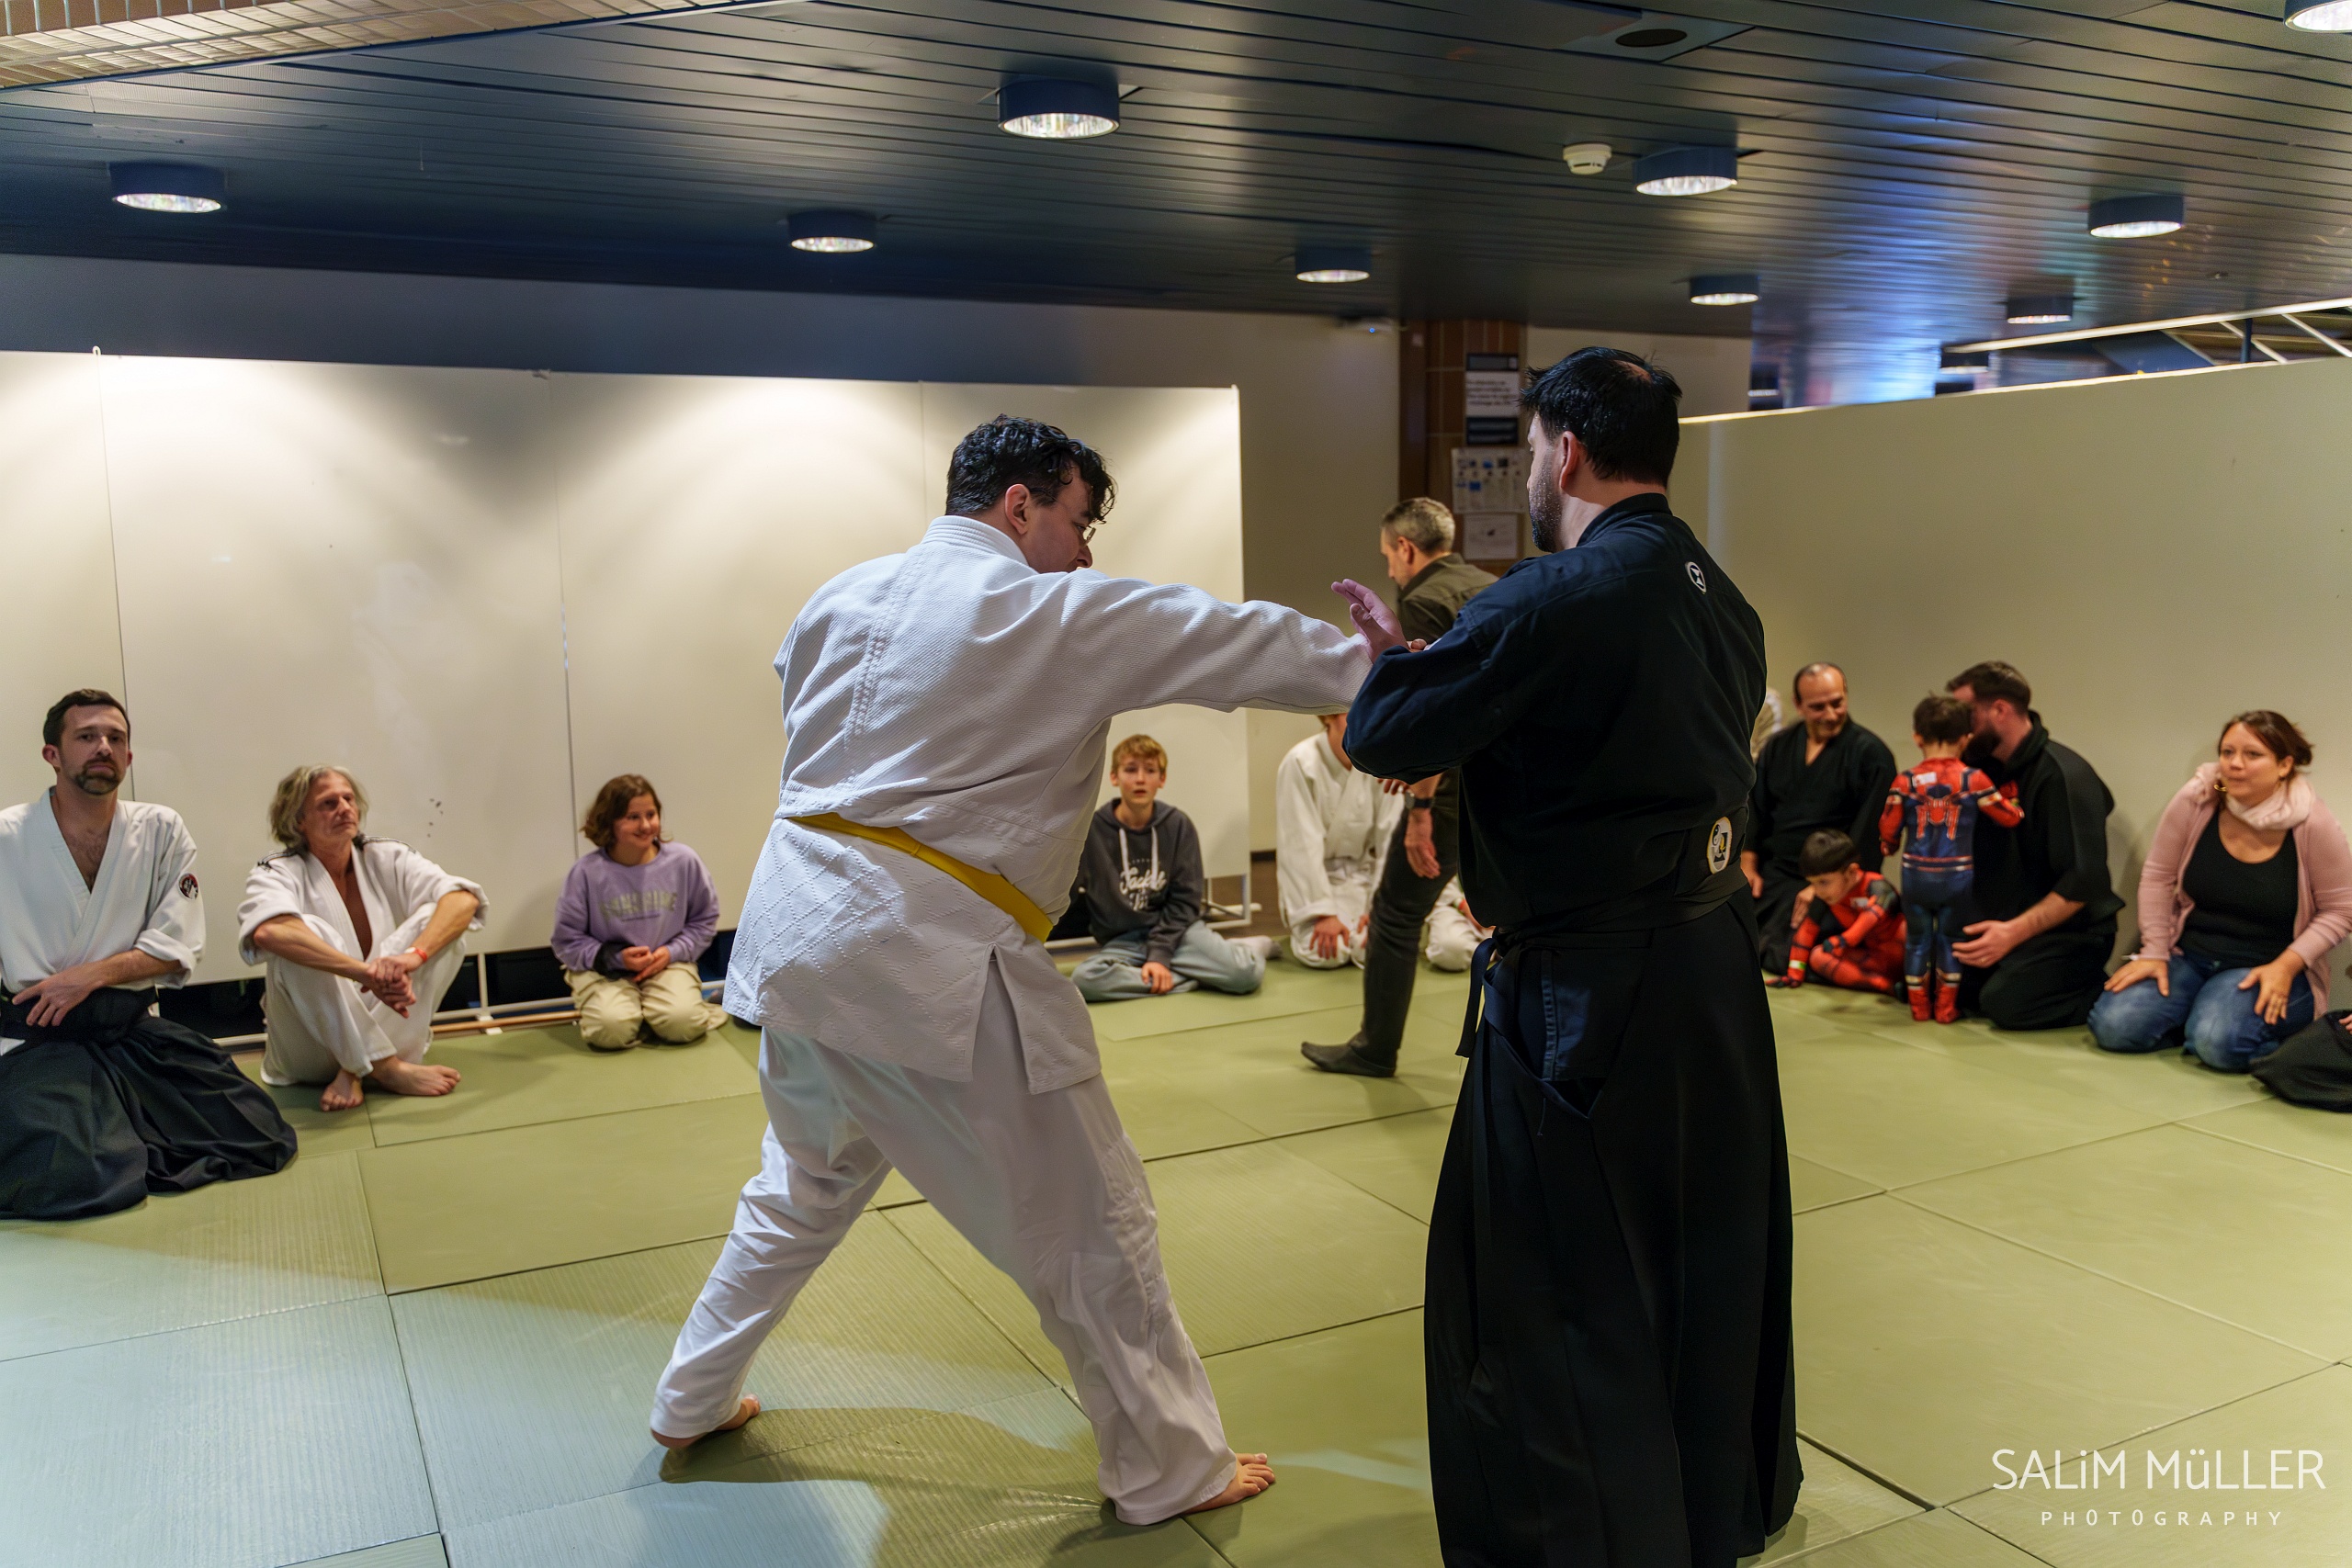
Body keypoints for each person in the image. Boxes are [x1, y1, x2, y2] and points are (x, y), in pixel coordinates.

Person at [649, 414, 1377, 1524]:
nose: (1083, 553)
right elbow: (1228, 640)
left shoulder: (837, 596)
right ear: (1020, 503)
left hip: (795, 941)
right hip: (924, 958)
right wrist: (1384, 666)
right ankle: (1170, 1467)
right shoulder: (1044, 611)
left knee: (801, 1187)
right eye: (1078, 523)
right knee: (1090, 1220)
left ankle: (690, 1396)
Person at [1341, 347, 1798, 1565]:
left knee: (1552, 1277)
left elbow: (1383, 732)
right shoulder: (1720, 593)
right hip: (1710, 966)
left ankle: (1585, 1534)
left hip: (1587, 993)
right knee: (1703, 1248)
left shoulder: (1552, 595)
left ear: (1568, 451)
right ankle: (1713, 1501)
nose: (1533, 470)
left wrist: (1396, 659)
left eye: (1536, 447)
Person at [0, 690, 294, 1220]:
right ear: (52, 755)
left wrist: (89, 977)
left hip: (129, 1028)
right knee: (78, 1177)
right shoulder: (7, 836)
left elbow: (176, 947)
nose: (103, 747)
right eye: (86, 736)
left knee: (257, 1133)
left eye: (115, 738)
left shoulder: (160, 829)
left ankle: (128, 1137)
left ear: (129, 756)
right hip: (41, 1037)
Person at [1301, 496, 1495, 1076]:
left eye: (1388, 556)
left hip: (1453, 788)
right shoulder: (1489, 587)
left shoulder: (1423, 599)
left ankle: (1375, 1047)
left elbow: (1430, 710)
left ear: (1406, 549)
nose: (1389, 568)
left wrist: (1420, 810)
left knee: (1396, 913)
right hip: (1506, 784)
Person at [2090, 711, 2352, 1071]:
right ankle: (2200, 1015)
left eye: (2252, 755)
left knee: (2218, 1045)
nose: (2234, 764)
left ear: (2284, 765)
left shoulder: (2313, 822)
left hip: (2267, 965)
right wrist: (2153, 951)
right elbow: (2158, 876)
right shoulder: (2198, 799)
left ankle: (2217, 1024)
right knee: (2114, 1027)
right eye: (2227, 752)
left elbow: (2341, 910)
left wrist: (2286, 965)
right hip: (2190, 955)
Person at [239, 765, 483, 1112]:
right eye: (328, 803)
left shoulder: (384, 855)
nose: (344, 808)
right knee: (301, 936)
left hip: (387, 1031)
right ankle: (384, 1067)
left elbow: (464, 901)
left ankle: (357, 1067)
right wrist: (364, 973)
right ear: (298, 820)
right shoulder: (276, 870)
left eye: (348, 799)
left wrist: (412, 957)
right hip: (309, 1051)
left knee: (439, 922)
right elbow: (268, 932)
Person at [1944, 661, 2121, 1030]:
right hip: (2004, 921)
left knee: (2003, 1003)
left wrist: (2010, 934)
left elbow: (2082, 884)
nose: (1959, 727)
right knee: (1936, 981)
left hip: (2067, 934)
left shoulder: (2063, 775)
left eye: (1967, 715)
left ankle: (2104, 995)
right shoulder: (1979, 769)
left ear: (2000, 710)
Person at [1068, 736, 1275, 1001]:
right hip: (1124, 941)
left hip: (1178, 934)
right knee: (1084, 980)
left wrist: (1159, 955)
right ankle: (1191, 976)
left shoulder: (1178, 826)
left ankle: (1246, 950)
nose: (1140, 779)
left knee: (1245, 975)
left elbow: (1185, 901)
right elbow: (1065, 890)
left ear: (1162, 779)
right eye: (1130, 770)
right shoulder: (1090, 831)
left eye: (1150, 770)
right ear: (1114, 777)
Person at [552, 773, 727, 1051]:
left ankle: (653, 1013)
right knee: (610, 1031)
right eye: (632, 817)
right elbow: (567, 941)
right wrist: (615, 958)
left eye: (651, 814)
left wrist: (671, 952)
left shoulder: (683, 861)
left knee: (683, 1024)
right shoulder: (586, 872)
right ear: (609, 821)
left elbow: (704, 922)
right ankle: (635, 1015)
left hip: (667, 963)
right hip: (605, 970)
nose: (646, 825)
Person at [1743, 663, 1896, 976]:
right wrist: (1748, 863)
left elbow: (1868, 834)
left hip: (1834, 885)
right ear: (1798, 705)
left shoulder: (1871, 754)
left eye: (1837, 703)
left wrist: (1823, 887)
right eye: (1817, 707)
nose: (1830, 714)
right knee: (1735, 938)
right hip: (1775, 873)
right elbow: (1756, 809)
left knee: (1785, 954)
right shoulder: (1779, 746)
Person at [1879, 694, 2022, 1022]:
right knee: (1950, 939)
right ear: (1966, 738)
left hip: (1915, 875)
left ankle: (1919, 1008)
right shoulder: (1974, 779)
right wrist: (2014, 800)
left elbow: (1887, 827)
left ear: (1917, 737)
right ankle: (1945, 1009)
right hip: (1957, 876)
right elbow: (2009, 817)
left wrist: (1889, 845)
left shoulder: (1905, 781)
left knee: (1917, 940)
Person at [1273, 710, 1399, 969]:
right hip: (1319, 884)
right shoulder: (1301, 762)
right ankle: (1319, 916)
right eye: (1349, 712)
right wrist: (1323, 913)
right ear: (1328, 716)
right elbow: (1299, 844)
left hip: (1363, 881)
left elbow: (1390, 837)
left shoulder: (1380, 760)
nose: (1361, 720)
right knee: (1327, 952)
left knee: (1372, 948)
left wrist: (1379, 909)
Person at [1775, 830, 1905, 996]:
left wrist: (1843, 939)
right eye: (1812, 883)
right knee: (1818, 956)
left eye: (1823, 882)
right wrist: (1794, 973)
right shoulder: (1825, 897)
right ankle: (1885, 986)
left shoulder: (1877, 885)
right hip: (1872, 959)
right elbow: (1806, 932)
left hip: (1906, 956)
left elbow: (1872, 915)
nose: (1817, 891)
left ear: (1851, 871)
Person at [1423, 878, 1490, 972]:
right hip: (1448, 904)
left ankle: (1498, 947)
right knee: (1451, 949)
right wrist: (1462, 904)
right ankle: (1493, 949)